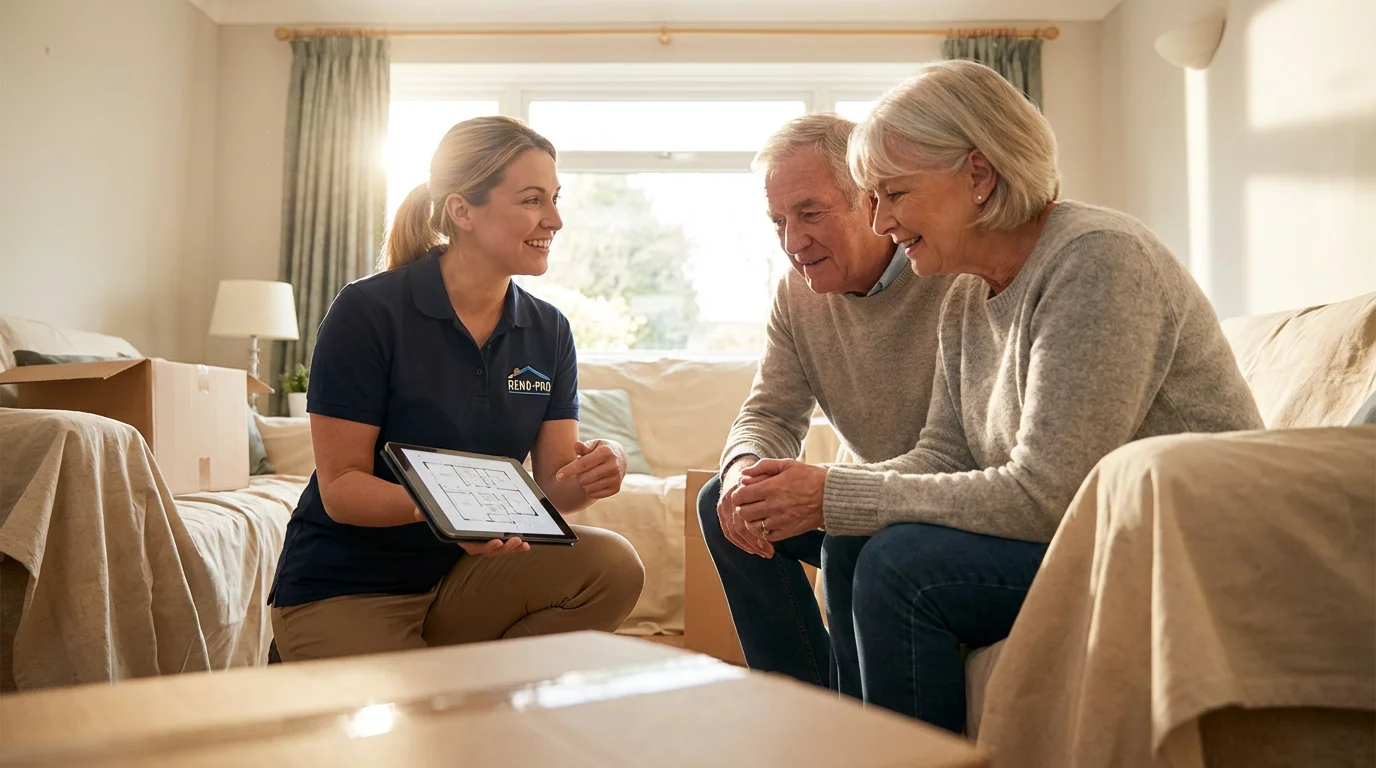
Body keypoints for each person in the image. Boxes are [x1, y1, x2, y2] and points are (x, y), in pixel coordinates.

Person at [729, 60, 1264, 732]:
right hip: (1089, 534)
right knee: (852, 545)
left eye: (893, 193)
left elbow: (1047, 493)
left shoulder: (1098, 260)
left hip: (1179, 548)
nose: (882, 219)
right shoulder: (969, 295)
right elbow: (944, 451)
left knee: (900, 563)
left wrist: (837, 494)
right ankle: (849, 746)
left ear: (979, 176)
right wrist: (838, 499)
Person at [268, 116, 645, 662]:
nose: (556, 220)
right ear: (462, 210)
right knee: (400, 740)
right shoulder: (368, 311)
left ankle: (477, 689)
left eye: (556, 198)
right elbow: (342, 489)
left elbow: (556, 489)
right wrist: (446, 511)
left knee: (610, 567)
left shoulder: (548, 330)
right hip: (349, 584)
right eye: (532, 200)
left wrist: (597, 471)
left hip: (467, 578)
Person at [697, 113, 957, 696]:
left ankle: (851, 726)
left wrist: (839, 494)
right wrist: (743, 469)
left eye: (810, 213)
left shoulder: (947, 275)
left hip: (940, 502)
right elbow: (770, 413)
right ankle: (799, 705)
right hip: (866, 497)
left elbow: (964, 448)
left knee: (850, 532)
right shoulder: (797, 294)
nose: (793, 243)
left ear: (871, 198)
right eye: (778, 222)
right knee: (723, 500)